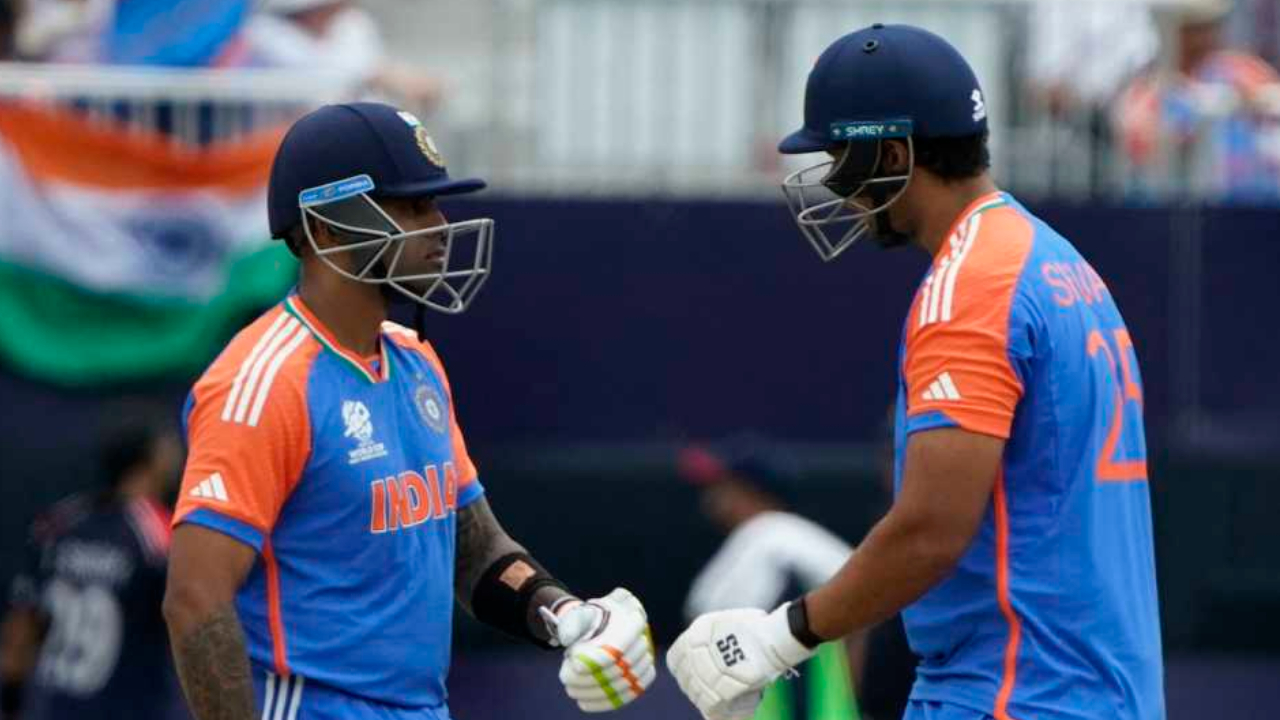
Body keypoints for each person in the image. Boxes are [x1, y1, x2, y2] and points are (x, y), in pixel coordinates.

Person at [667, 23, 1164, 720]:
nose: (837, 188)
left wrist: (781, 635)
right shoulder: (1056, 261)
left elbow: (931, 529)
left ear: (896, 152)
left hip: (1013, 694)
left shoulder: (970, 286)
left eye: (843, 160)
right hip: (1103, 693)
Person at [161, 102, 655, 720]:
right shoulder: (263, 382)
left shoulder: (415, 359)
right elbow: (195, 598)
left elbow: (474, 552)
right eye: (414, 207)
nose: (441, 226)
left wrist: (563, 614)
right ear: (329, 228)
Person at [0, 421, 184, 720]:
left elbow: (20, 628)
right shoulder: (159, 534)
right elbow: (195, 614)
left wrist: (9, 702)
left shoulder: (61, 523)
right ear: (150, 459)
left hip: (52, 709)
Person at [677, 439, 857, 720]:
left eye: (724, 484)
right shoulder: (781, 539)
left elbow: (704, 620)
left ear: (750, 490)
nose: (712, 495)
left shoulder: (773, 535)